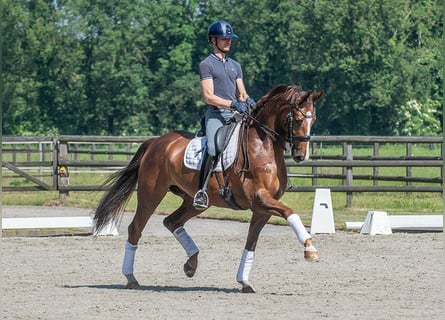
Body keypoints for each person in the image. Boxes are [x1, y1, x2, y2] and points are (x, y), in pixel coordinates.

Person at [193, 20, 256, 210]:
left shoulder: (235, 65)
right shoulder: (207, 64)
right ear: (213, 40)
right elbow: (209, 97)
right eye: (224, 38)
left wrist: (250, 101)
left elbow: (242, 93)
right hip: (216, 115)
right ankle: (202, 190)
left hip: (235, 114)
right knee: (213, 148)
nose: (228, 41)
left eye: (229, 38)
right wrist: (232, 103)